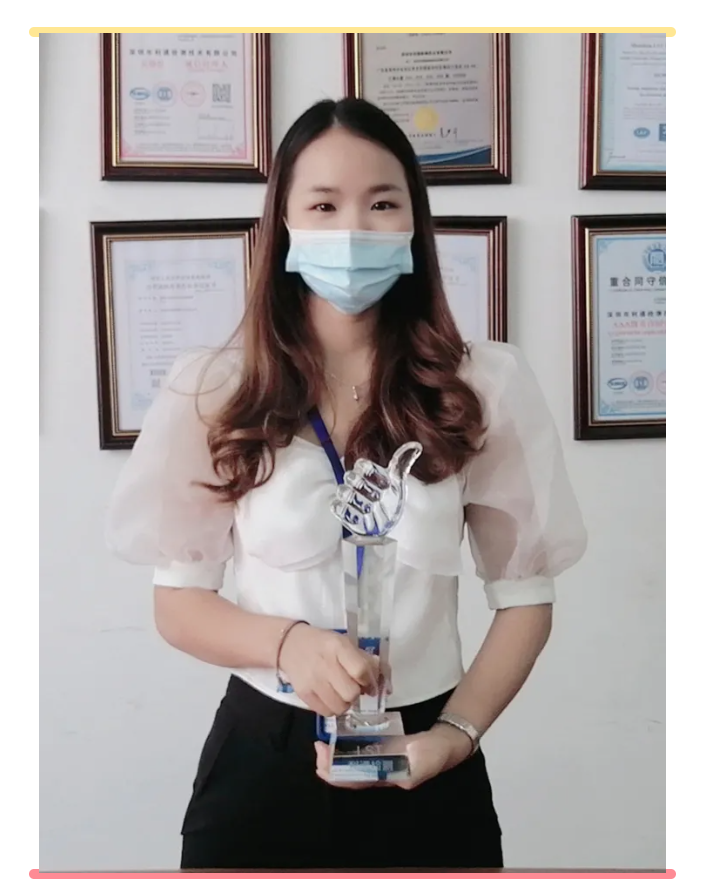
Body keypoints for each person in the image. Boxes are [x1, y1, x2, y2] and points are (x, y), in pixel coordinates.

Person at [106, 97, 587, 871]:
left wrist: (455, 735)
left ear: (414, 222)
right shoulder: (217, 390)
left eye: (382, 203)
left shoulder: (481, 386)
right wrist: (289, 644)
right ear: (284, 222)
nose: (354, 229)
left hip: (427, 758)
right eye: (324, 205)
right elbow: (180, 602)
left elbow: (526, 597)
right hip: (265, 760)